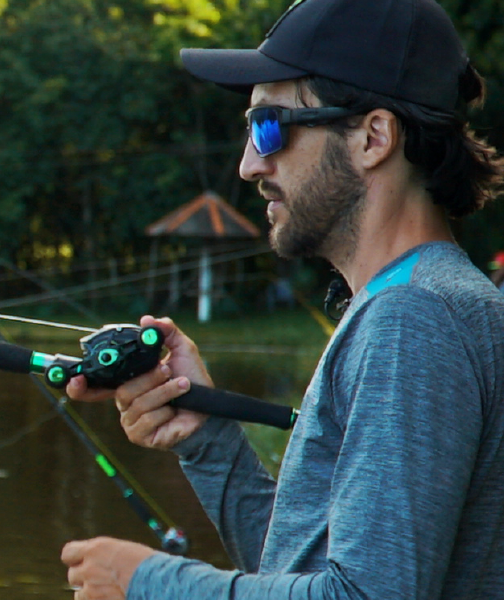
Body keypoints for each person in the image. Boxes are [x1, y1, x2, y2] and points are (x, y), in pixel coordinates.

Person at [58, 0, 504, 597]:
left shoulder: (413, 318)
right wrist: (208, 440)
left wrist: (148, 583)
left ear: (373, 137)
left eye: (270, 125)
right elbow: (314, 570)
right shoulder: (412, 303)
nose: (249, 163)